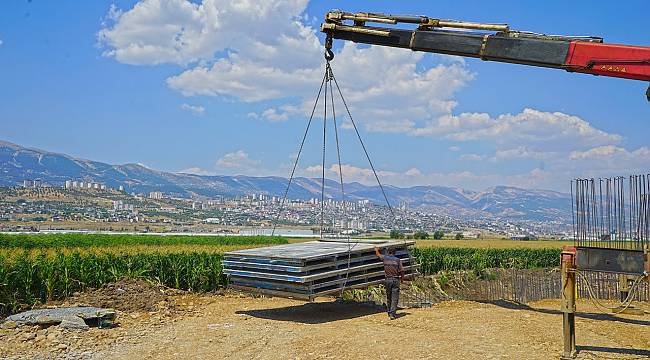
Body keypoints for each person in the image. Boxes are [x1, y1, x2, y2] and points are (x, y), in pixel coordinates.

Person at [374, 246, 404, 319]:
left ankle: (389, 312)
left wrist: (376, 250)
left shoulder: (385, 258)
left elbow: (378, 255)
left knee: (389, 297)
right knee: (395, 298)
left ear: (388, 252)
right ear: (395, 252)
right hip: (395, 280)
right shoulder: (398, 260)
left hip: (387, 280)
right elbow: (402, 271)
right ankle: (392, 314)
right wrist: (402, 279)